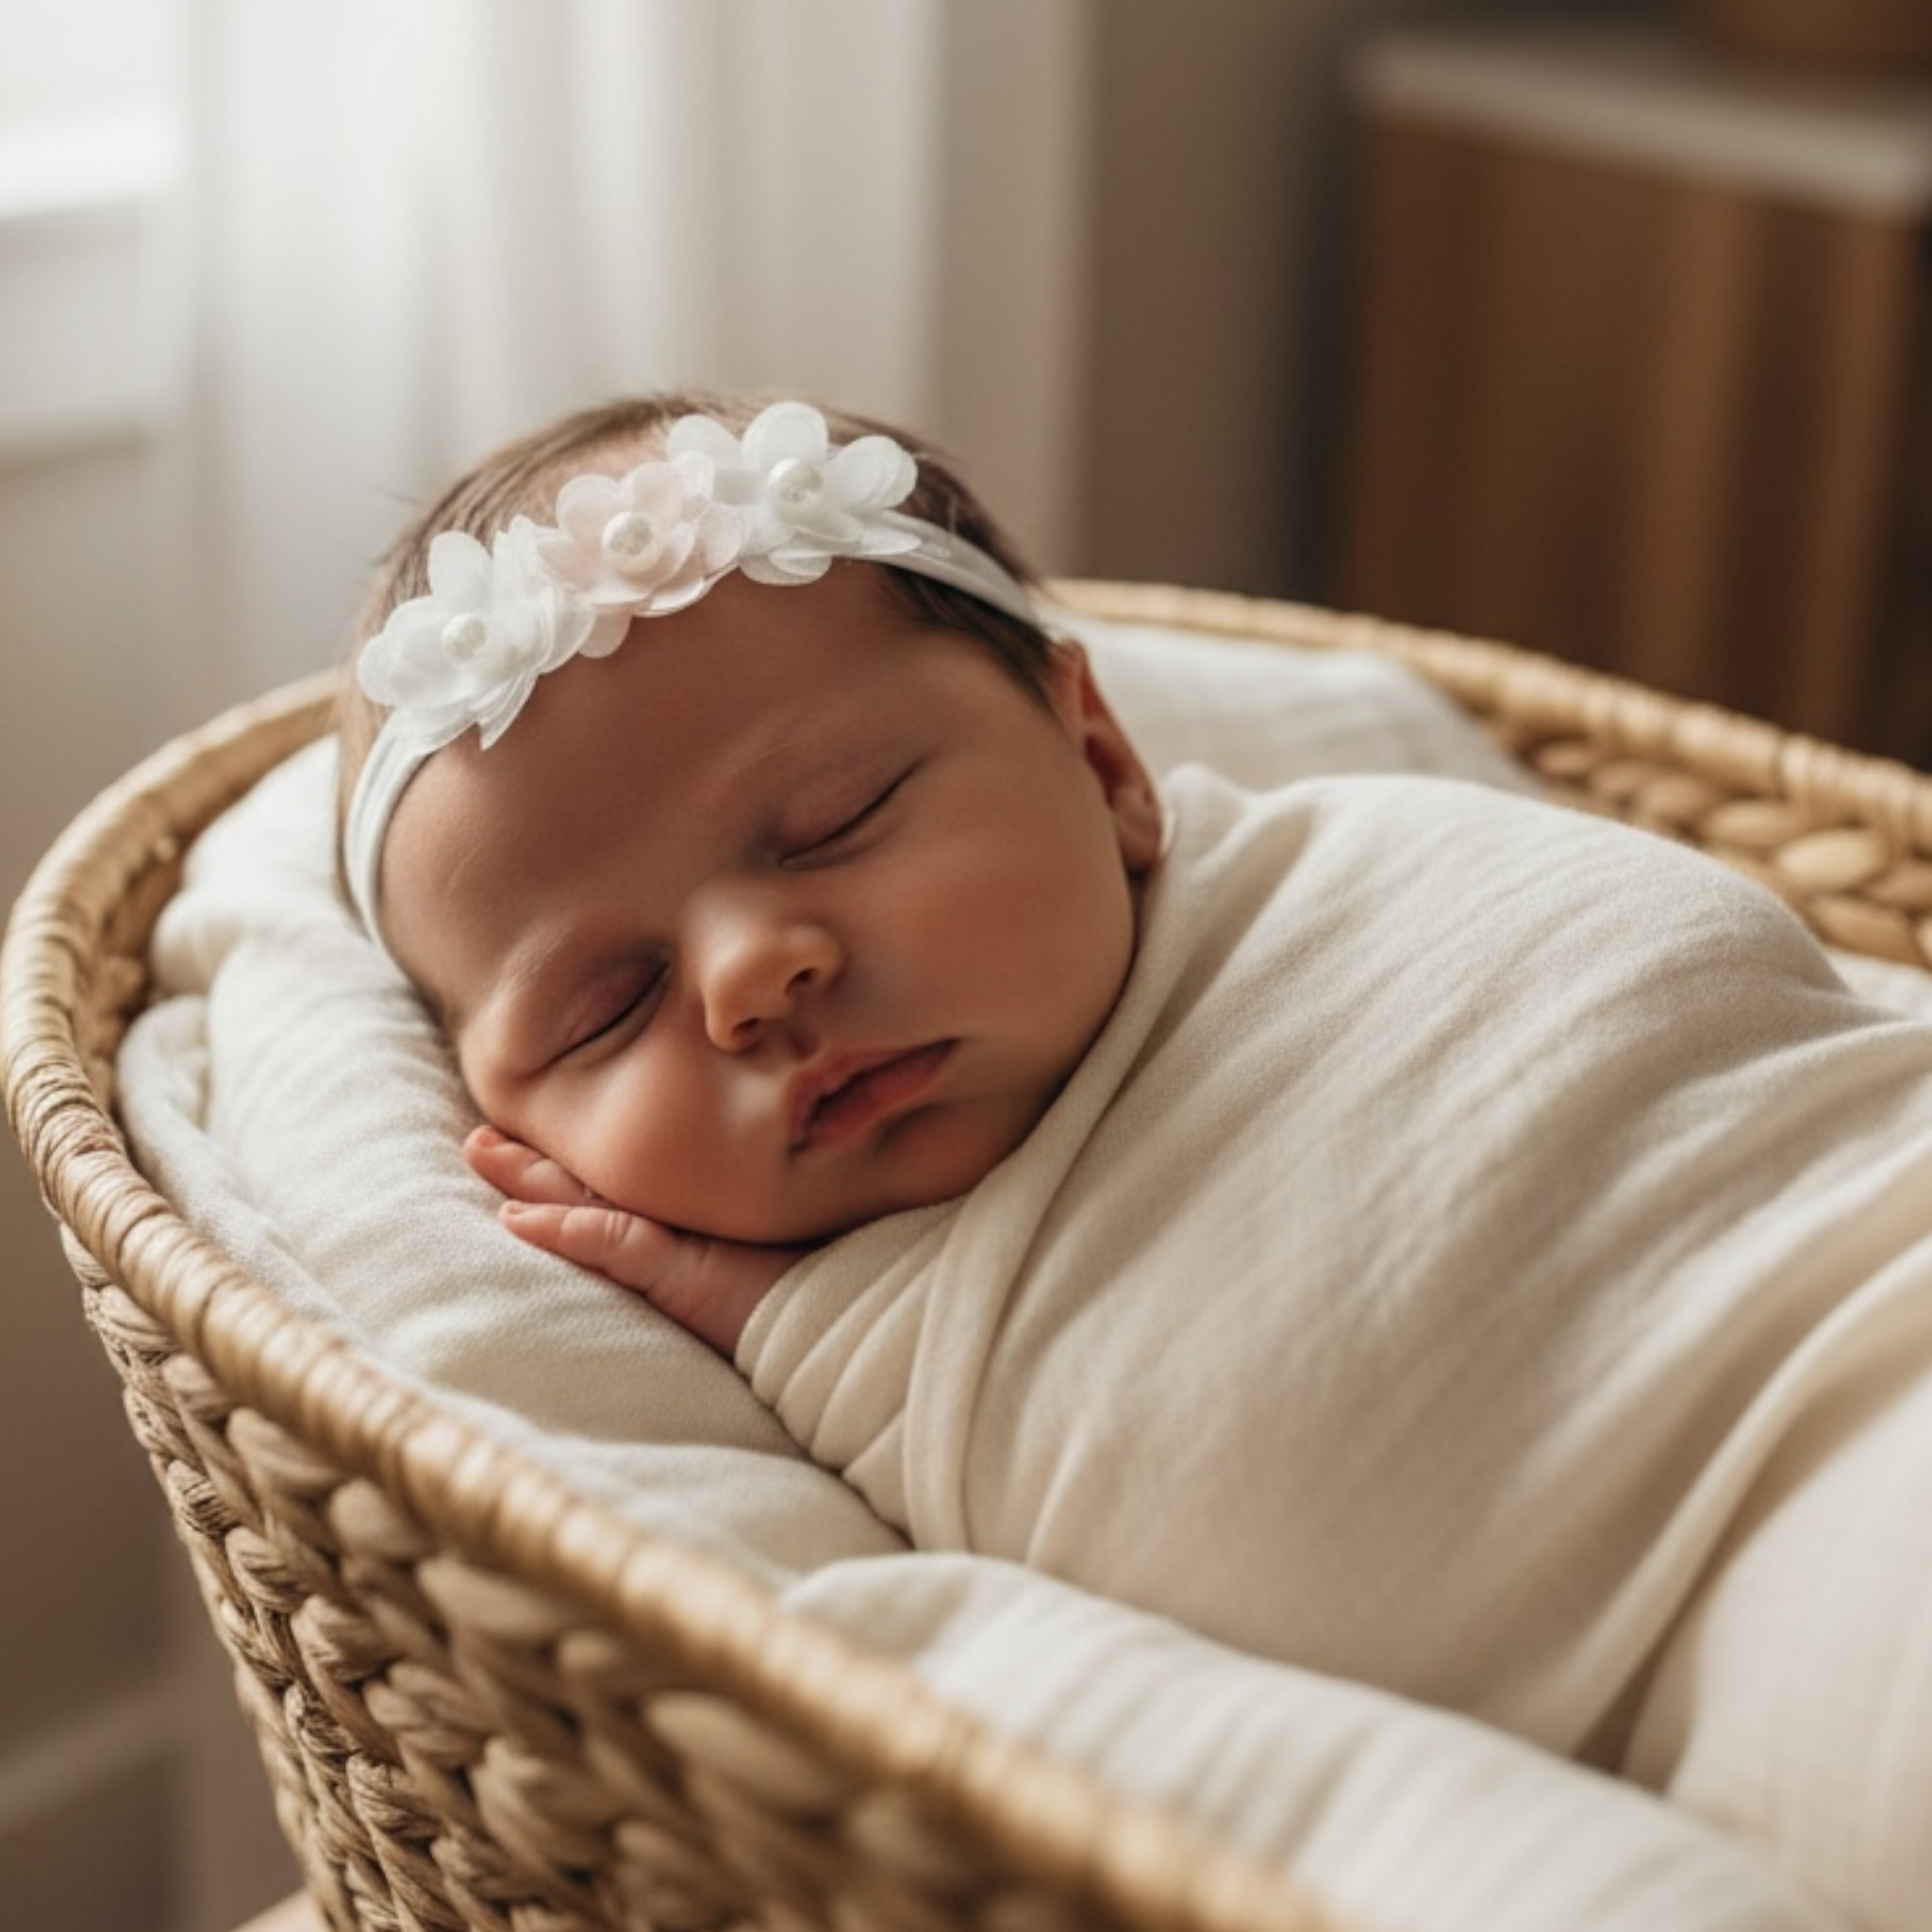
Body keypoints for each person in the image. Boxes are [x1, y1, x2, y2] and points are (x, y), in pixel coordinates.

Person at [338, 388, 1932, 1932]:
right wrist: (791, 1330)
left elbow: (1701, 1007)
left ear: (1104, 765)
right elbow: (1247, 1510)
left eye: (836, 819)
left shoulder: (1358, 870)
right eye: (606, 1007)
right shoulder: (895, 1332)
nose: (755, 974)